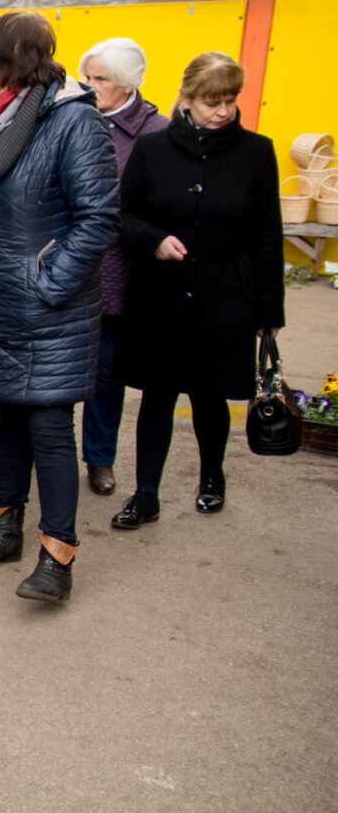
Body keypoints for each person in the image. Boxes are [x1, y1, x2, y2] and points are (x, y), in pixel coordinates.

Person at [0, 12, 118, 603]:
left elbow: (98, 219)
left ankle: (58, 553)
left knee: (49, 425)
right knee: (10, 417)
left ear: (13, 60)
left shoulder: (74, 122)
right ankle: (5, 529)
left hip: (48, 309)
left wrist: (46, 280)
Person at [110, 52, 283, 530]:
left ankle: (212, 477)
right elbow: (123, 216)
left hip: (225, 296)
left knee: (211, 395)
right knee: (158, 396)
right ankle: (146, 494)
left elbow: (268, 235)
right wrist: (153, 240)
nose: (222, 111)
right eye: (211, 102)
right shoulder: (153, 149)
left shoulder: (256, 151)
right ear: (187, 100)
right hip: (161, 295)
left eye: (229, 101)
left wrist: (270, 309)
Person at [76, 38, 170, 497]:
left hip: (118, 267)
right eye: (87, 76)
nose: (90, 86)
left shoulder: (156, 132)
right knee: (55, 367)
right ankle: (44, 451)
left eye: (101, 79)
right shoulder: (74, 114)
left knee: (106, 372)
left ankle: (99, 458)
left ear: (128, 83)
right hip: (72, 262)